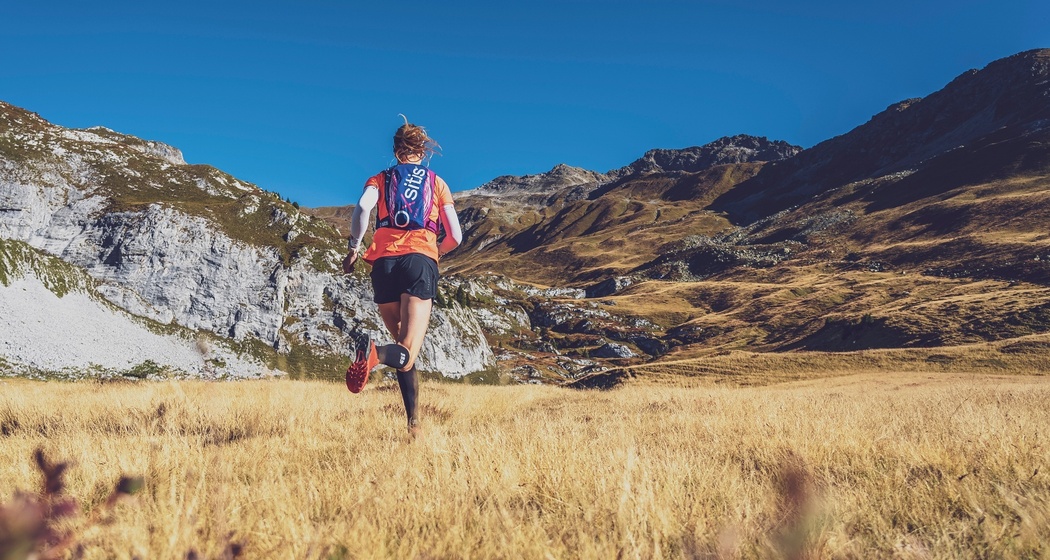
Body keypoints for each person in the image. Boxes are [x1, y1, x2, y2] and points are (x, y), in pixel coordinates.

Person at [343, 116, 462, 437]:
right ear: (422, 152)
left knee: (404, 351)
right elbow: (456, 236)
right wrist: (435, 251)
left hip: (382, 264)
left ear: (396, 151)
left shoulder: (379, 179)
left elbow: (363, 209)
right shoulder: (437, 184)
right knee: (404, 349)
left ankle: (413, 425)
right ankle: (374, 354)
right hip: (419, 261)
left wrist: (354, 248)